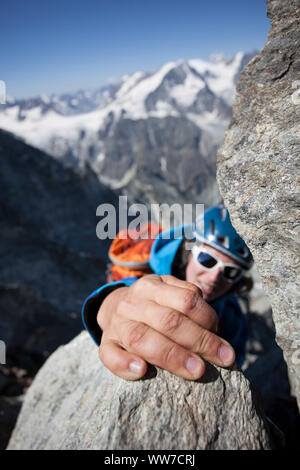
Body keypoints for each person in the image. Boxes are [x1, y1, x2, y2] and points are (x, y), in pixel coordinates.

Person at [82, 205, 253, 381]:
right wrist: (110, 303)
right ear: (189, 250)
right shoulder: (150, 270)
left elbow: (237, 360)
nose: (214, 277)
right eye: (207, 259)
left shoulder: (233, 318)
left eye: (230, 272)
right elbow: (130, 292)